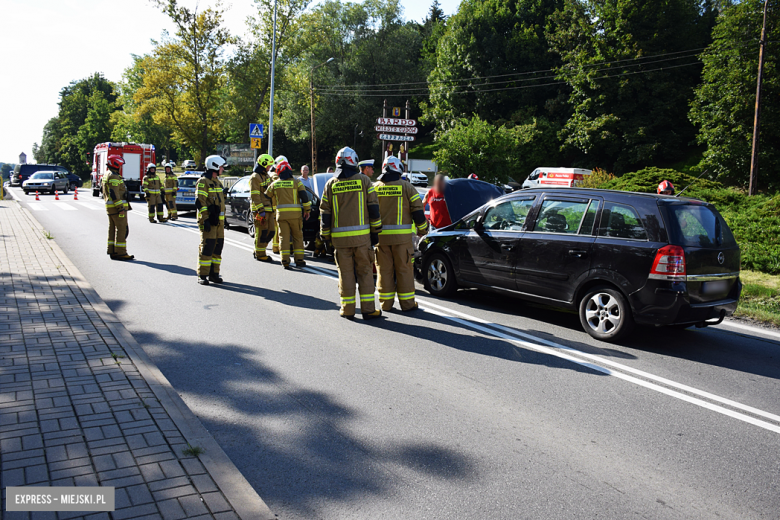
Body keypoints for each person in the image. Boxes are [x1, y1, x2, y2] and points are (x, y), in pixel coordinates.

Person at [320, 147, 383, 320]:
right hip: (362, 239)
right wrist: (375, 232)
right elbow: (373, 208)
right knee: (364, 273)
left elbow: (325, 213)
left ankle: (347, 309)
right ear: (353, 161)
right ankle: (368, 310)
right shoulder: (364, 181)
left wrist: (325, 236)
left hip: (340, 242)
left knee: (345, 274)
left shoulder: (330, 184)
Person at [373, 156, 428, 312]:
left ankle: (386, 304)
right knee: (404, 270)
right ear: (398, 169)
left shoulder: (375, 187)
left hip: (381, 239)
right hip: (402, 241)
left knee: (384, 271)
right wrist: (422, 230)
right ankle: (407, 304)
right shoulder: (407, 187)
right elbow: (418, 212)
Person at [265, 157, 311, 269]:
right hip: (295, 216)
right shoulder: (297, 182)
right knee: (297, 237)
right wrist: (307, 210)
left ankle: (285, 260)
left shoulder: (275, 184)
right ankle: (299, 260)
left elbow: (266, 196)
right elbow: (304, 197)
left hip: (281, 216)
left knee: (283, 238)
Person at [195, 155, 227, 285]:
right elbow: (200, 202)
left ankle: (214, 274)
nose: (222, 170)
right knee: (207, 248)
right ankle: (202, 275)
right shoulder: (203, 181)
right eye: (221, 167)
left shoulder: (217, 181)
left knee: (217, 249)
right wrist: (205, 219)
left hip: (219, 223)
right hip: (209, 222)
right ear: (214, 166)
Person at [103, 155, 134, 261]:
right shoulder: (114, 176)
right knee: (122, 230)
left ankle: (112, 251)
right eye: (120, 165)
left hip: (111, 208)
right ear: (116, 164)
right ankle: (121, 252)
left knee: (112, 229)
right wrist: (120, 207)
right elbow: (114, 193)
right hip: (117, 208)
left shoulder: (107, 174)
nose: (121, 167)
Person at [249, 154, 276, 262]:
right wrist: (260, 210)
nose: (270, 167)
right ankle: (260, 254)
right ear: (263, 164)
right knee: (262, 232)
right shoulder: (255, 177)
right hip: (260, 210)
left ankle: (258, 249)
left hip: (268, 209)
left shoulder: (266, 176)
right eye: (269, 165)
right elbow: (255, 195)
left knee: (271, 232)